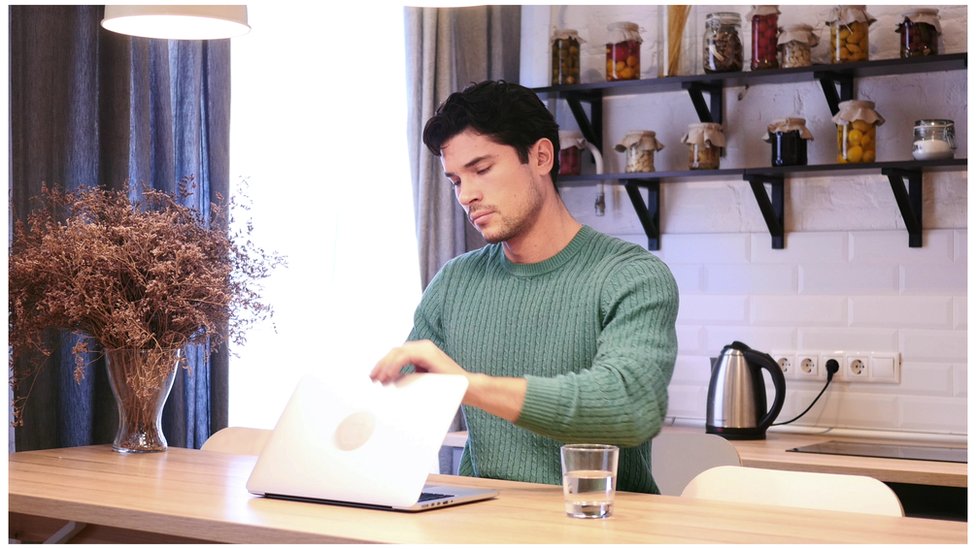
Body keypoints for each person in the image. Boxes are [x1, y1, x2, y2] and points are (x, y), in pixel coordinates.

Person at [370, 80, 678, 494]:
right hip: (481, 524)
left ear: (541, 156)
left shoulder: (631, 276)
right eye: (456, 181)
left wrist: (468, 385)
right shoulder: (455, 283)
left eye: (482, 170)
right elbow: (400, 408)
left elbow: (630, 406)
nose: (467, 195)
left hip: (601, 526)